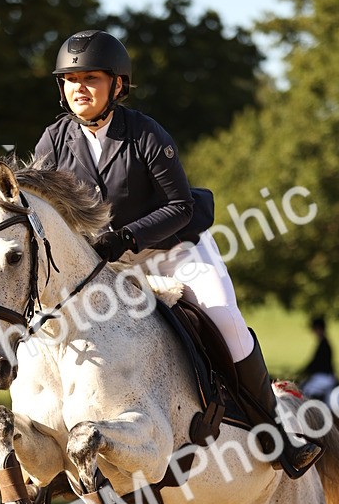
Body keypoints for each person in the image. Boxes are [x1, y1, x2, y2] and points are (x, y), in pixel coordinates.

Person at [34, 30, 322, 479]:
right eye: (71, 79)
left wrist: (125, 236)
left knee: (224, 317)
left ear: (118, 85)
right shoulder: (53, 142)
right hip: (109, 266)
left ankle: (277, 431)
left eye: (91, 77)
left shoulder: (145, 133)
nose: (79, 88)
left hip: (174, 250)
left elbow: (180, 206)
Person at [298, 315, 339, 406]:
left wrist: (305, 371)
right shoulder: (322, 343)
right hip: (322, 375)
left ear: (319, 329)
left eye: (314, 329)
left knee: (305, 389)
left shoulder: (324, 344)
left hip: (324, 376)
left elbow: (316, 363)